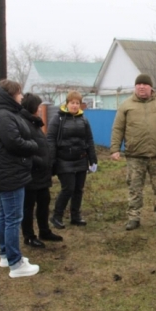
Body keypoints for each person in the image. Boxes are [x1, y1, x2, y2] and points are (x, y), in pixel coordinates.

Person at [0, 79, 40, 278]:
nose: (22, 96)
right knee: (13, 219)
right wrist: (33, 145)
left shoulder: (3, 114)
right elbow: (14, 143)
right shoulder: (4, 116)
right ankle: (15, 264)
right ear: (10, 95)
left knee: (5, 216)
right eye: (19, 93)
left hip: (7, 173)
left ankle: (6, 255)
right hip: (10, 175)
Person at [110, 73, 156, 231]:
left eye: (145, 84)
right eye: (138, 85)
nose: (141, 87)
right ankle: (134, 217)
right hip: (135, 156)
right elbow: (118, 128)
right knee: (134, 188)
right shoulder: (126, 105)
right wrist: (115, 149)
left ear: (151, 87)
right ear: (135, 87)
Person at [47, 91, 97, 229]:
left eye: (77, 103)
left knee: (78, 189)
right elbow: (50, 139)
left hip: (81, 159)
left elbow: (89, 140)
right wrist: (51, 160)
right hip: (64, 160)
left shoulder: (84, 120)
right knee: (68, 189)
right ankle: (56, 216)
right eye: (72, 103)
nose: (75, 106)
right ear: (67, 104)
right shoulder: (58, 119)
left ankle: (76, 216)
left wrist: (93, 160)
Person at [19, 93, 63, 248]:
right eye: (38, 106)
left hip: (42, 174)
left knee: (44, 203)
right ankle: (29, 236)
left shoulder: (34, 123)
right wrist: (41, 162)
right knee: (28, 207)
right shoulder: (23, 124)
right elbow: (25, 150)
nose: (39, 109)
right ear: (32, 107)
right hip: (31, 174)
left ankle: (44, 231)